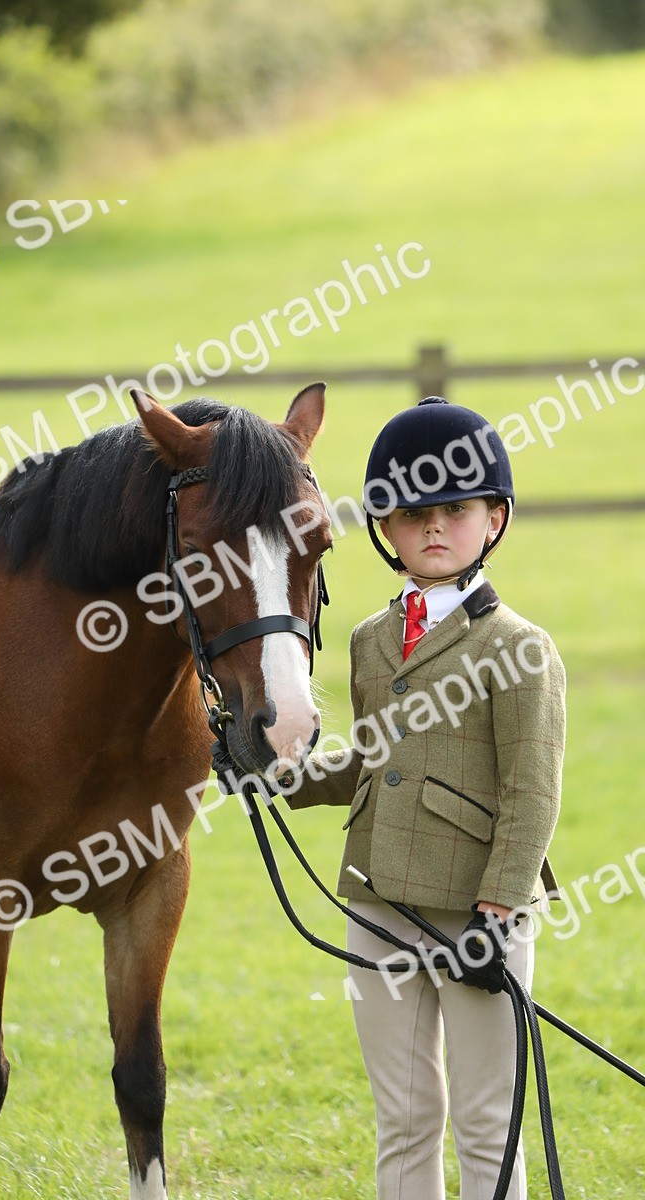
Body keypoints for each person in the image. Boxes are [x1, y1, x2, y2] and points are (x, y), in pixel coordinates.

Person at [279, 397, 565, 1200]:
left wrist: (499, 916)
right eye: (411, 514)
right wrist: (281, 776)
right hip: (376, 905)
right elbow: (374, 761)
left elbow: (532, 794)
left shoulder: (520, 649)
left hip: (476, 913)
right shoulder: (371, 639)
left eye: (455, 510)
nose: (433, 528)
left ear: (493, 519)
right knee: (403, 1117)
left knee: (485, 1121)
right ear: (384, 527)